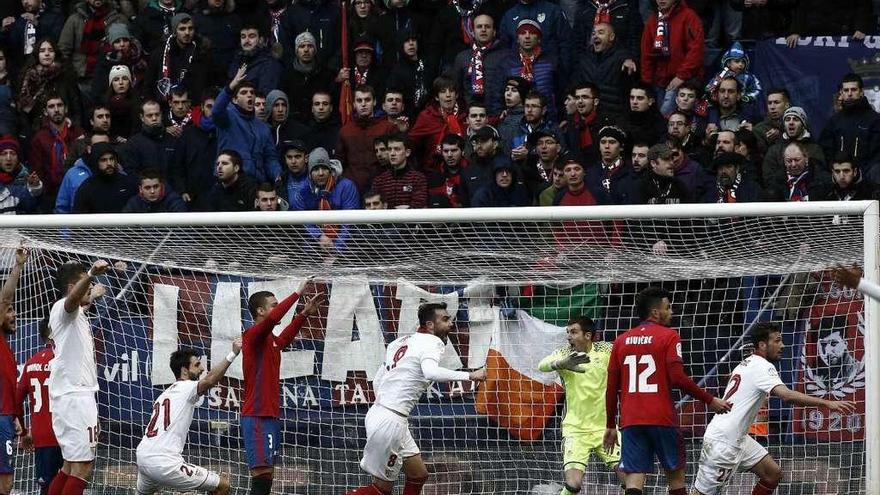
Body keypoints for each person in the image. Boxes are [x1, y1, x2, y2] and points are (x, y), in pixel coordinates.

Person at [692, 323, 856, 495]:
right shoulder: (763, 366)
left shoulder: (746, 363)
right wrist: (826, 403)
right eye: (777, 341)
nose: (782, 345)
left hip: (738, 438)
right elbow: (786, 395)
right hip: (724, 443)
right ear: (762, 345)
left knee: (772, 474)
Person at [347, 303, 486, 495]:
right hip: (390, 423)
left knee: (419, 475)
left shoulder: (400, 342)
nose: (451, 323)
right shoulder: (432, 342)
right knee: (380, 489)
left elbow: (380, 377)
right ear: (429, 325)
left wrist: (386, 402)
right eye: (445, 320)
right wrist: (471, 376)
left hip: (382, 414)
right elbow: (430, 372)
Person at [603, 287, 731, 495]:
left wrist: (610, 424)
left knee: (634, 480)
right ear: (655, 312)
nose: (672, 312)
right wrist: (709, 400)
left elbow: (611, 387)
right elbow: (678, 378)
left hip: (631, 421)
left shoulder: (620, 341)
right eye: (668, 308)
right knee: (675, 479)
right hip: (662, 419)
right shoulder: (669, 336)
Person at [242, 282, 323, 495]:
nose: (276, 309)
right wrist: (297, 293)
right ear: (260, 310)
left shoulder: (271, 341)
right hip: (256, 416)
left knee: (267, 478)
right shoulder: (252, 336)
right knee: (260, 477)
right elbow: (272, 319)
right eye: (273, 305)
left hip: (271, 417)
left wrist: (304, 314)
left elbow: (284, 339)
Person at [135, 339, 242, 495]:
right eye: (197, 365)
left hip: (143, 457)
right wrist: (233, 353)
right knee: (222, 486)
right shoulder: (187, 387)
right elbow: (211, 379)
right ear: (184, 370)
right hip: (164, 462)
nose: (202, 368)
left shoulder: (163, 395)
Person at [45, 259, 111, 495]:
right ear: (74, 286)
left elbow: (80, 303)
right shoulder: (63, 307)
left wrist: (92, 295)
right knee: (82, 467)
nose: (92, 287)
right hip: (75, 397)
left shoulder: (73, 314)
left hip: (71, 397)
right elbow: (73, 301)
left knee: (69, 467)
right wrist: (91, 273)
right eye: (88, 284)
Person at [538, 316, 624, 495]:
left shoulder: (606, 350)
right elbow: (542, 365)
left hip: (605, 429)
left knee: (631, 478)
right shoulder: (564, 353)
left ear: (588, 335)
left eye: (574, 332)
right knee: (574, 484)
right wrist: (560, 364)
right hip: (575, 430)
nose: (569, 336)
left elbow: (625, 351)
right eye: (567, 332)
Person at [213, 66, 281, 184]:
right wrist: (231, 86)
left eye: (252, 92)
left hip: (255, 183)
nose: (250, 95)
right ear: (234, 99)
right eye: (244, 93)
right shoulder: (228, 117)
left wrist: (277, 174)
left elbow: (270, 158)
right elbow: (216, 110)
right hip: (230, 181)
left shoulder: (264, 128)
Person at [16, 317, 61, 495]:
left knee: (47, 487)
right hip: (66, 432)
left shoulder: (31, 363)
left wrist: (24, 433)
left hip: (42, 436)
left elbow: (16, 400)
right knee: (70, 481)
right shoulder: (64, 359)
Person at [639, 0, 704, 115]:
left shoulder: (689, 17)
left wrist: (681, 76)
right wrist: (647, 83)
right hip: (658, 82)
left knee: (667, 118)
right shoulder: (653, 20)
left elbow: (696, 50)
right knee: (659, 120)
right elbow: (646, 54)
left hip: (683, 82)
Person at [0, 248, 27, 495]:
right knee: (5, 481)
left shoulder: (6, 349)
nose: (14, 313)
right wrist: (18, 267)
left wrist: (14, 416)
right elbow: (6, 299)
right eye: (10, 311)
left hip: (5, 417)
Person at [73, 142, 138, 213]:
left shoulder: (128, 183)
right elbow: (79, 218)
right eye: (103, 160)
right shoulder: (87, 188)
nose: (109, 163)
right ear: (96, 162)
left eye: (111, 159)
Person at [122, 169, 187, 213]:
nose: (152, 191)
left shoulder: (174, 201)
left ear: (161, 186)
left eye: (156, 187)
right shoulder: (134, 203)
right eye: (147, 188)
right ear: (140, 189)